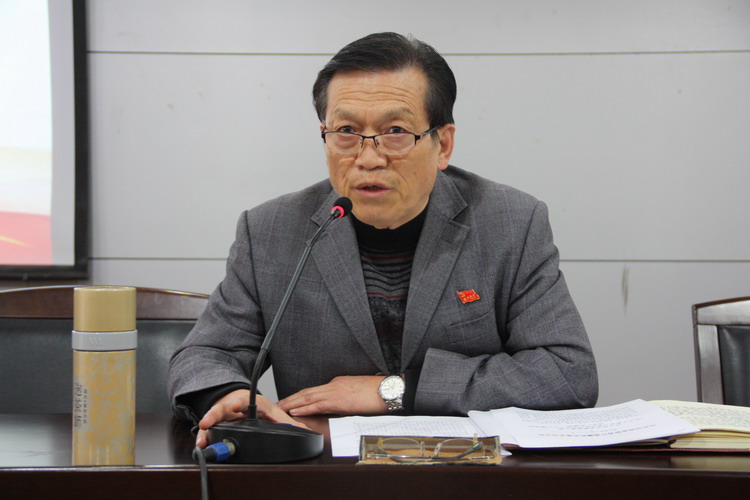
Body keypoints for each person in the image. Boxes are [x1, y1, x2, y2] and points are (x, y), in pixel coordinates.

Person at [168, 32, 598, 448]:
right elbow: (203, 355)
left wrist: (394, 390)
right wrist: (225, 395)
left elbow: (567, 373)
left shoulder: (510, 223)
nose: (369, 158)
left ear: (443, 145)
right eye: (346, 131)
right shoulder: (271, 231)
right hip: (321, 473)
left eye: (395, 131)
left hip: (467, 471)